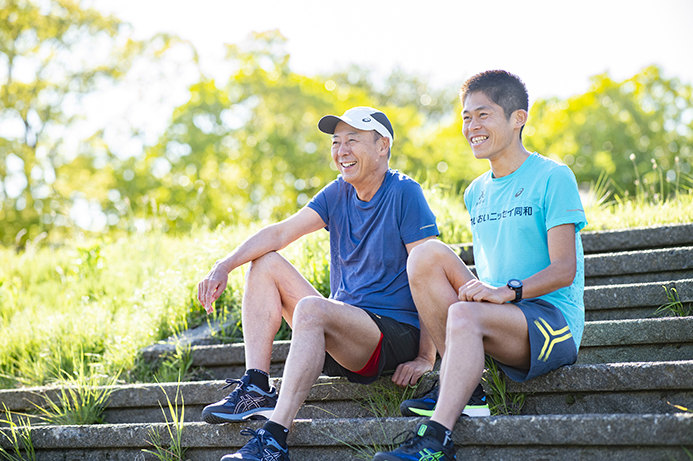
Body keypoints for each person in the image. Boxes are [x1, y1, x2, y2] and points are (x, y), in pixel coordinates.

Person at [198, 106, 444, 461]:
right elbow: (281, 232)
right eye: (336, 142)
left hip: (391, 334)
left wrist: (426, 356)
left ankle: (273, 439)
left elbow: (429, 273)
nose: (341, 150)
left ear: (382, 146)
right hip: (344, 328)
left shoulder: (405, 193)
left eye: (353, 141)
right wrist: (224, 265)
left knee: (312, 308)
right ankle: (255, 385)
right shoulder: (337, 193)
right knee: (264, 262)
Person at [374, 71, 587, 461]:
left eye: (483, 115)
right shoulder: (476, 192)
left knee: (465, 317)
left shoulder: (553, 177)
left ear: (517, 118)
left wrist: (507, 291)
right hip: (501, 314)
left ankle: (435, 439)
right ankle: (467, 390)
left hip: (550, 322)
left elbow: (564, 270)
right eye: (466, 117)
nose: (472, 126)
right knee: (426, 254)